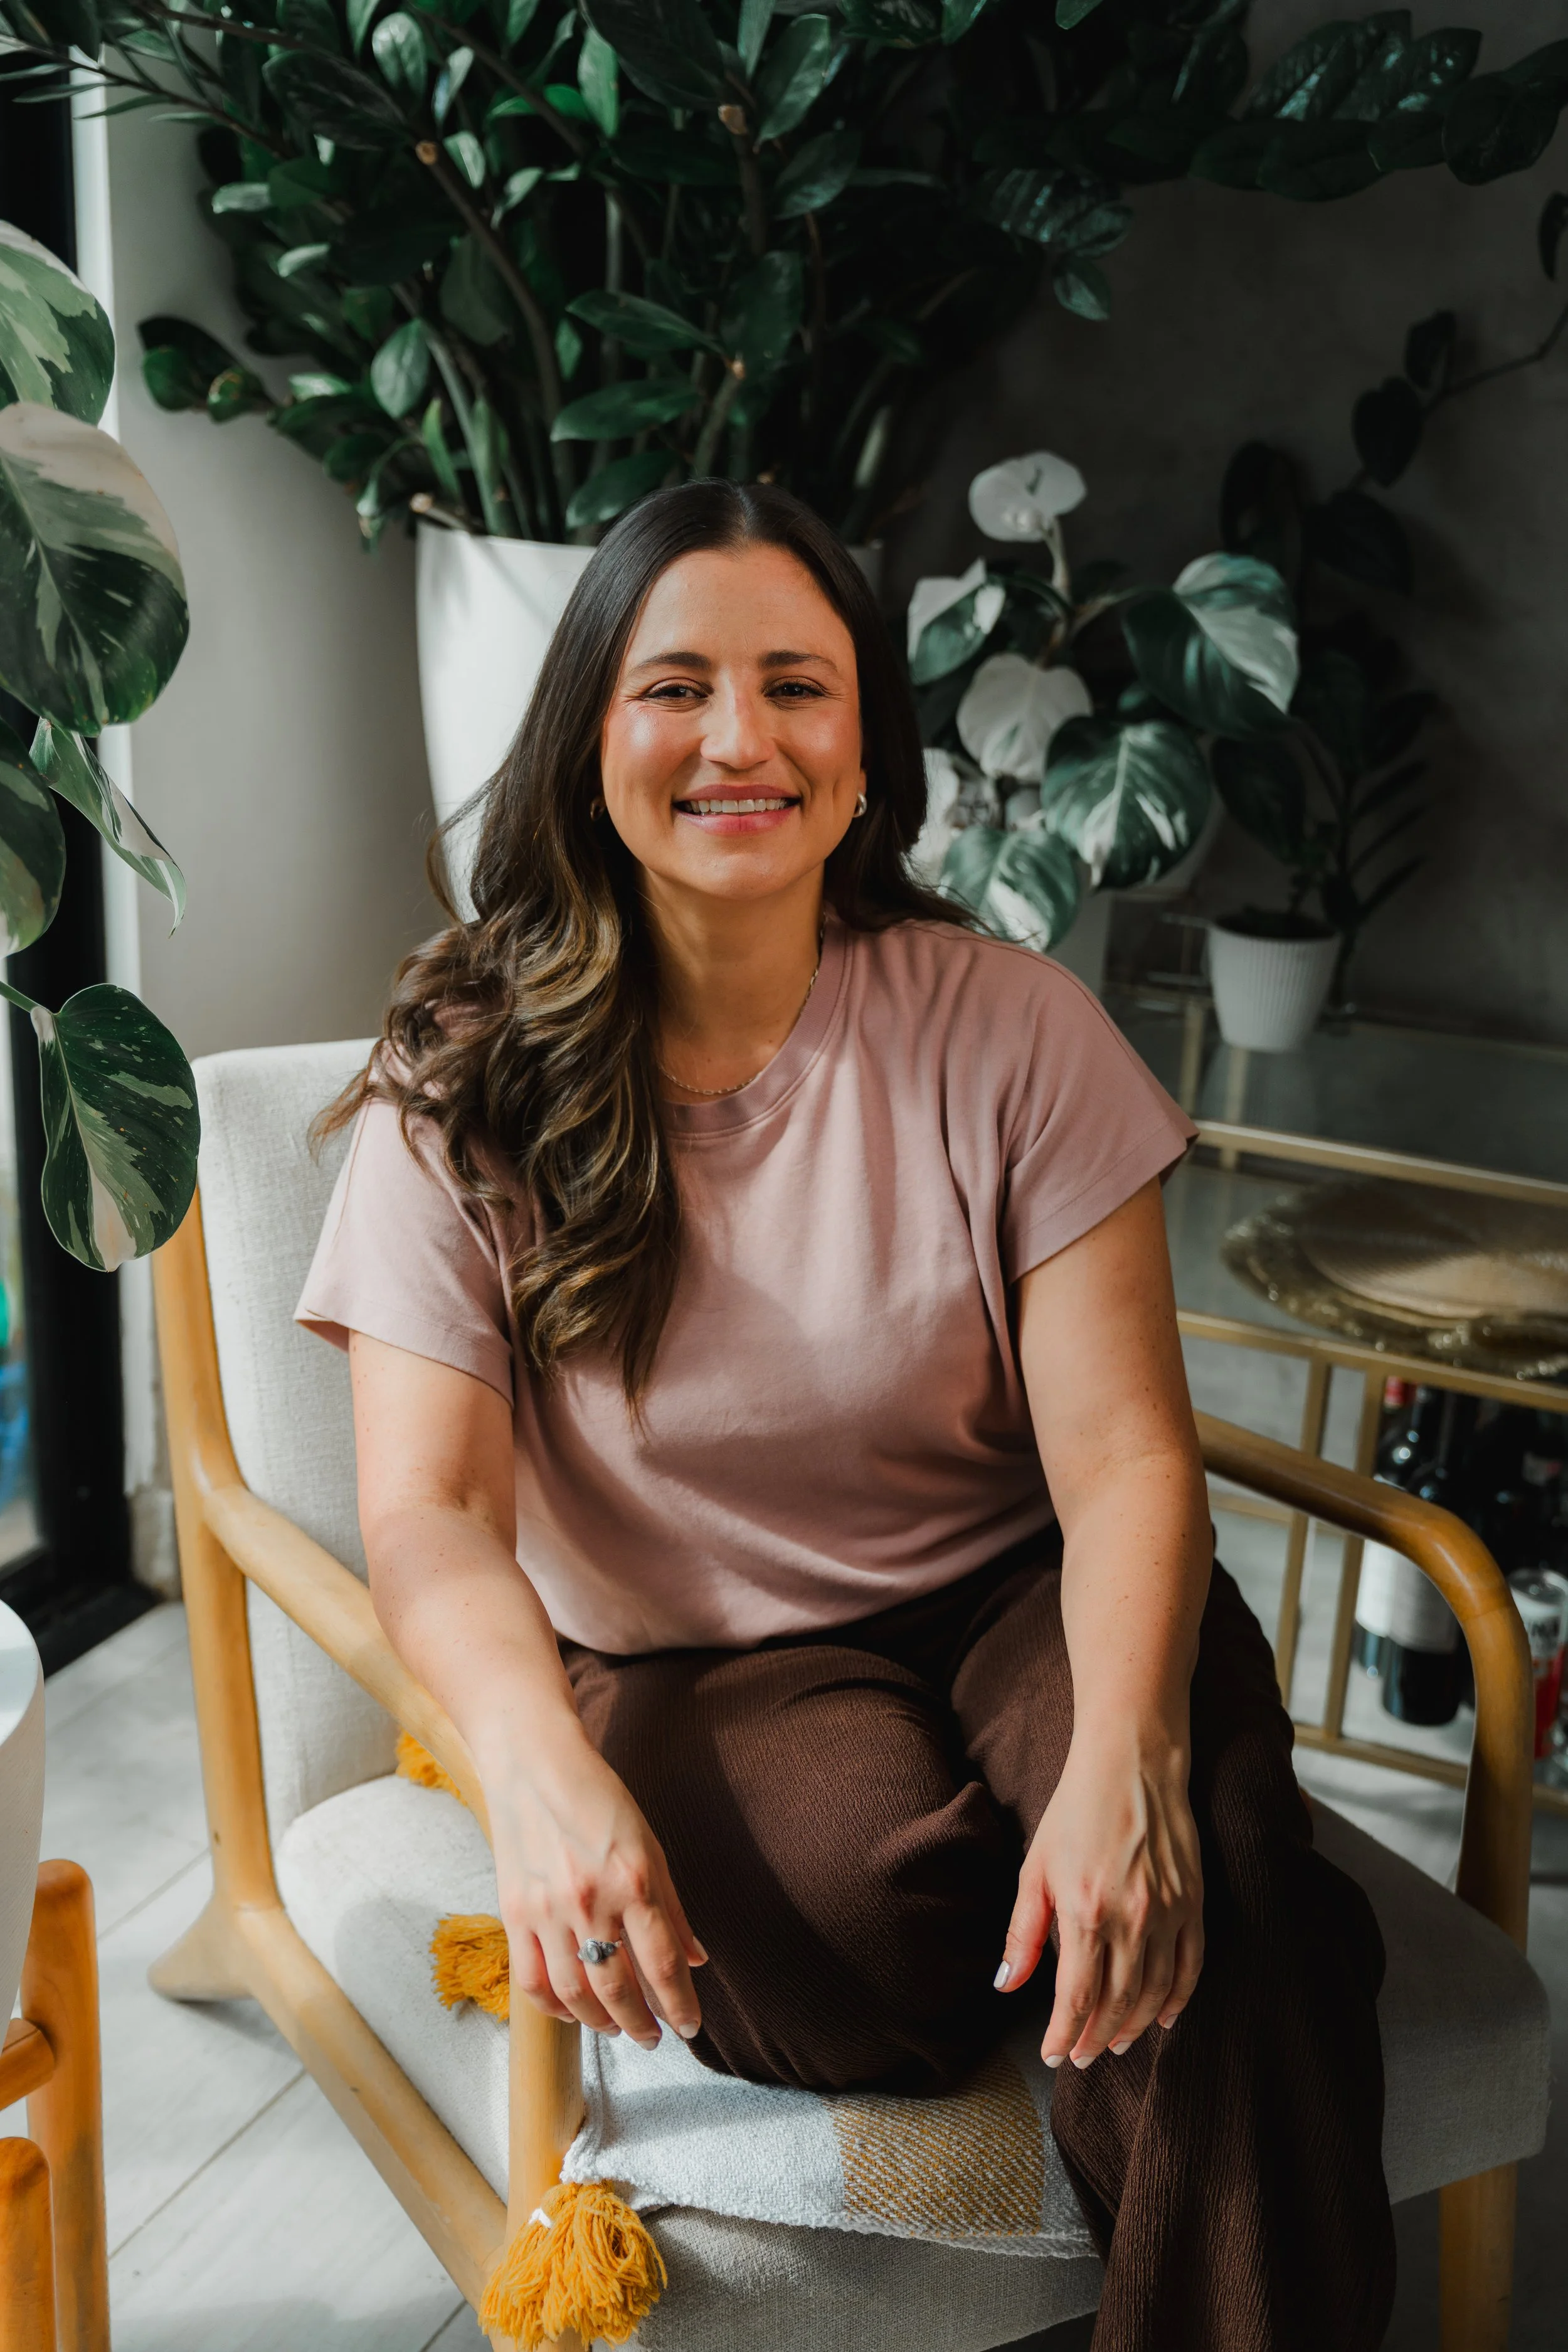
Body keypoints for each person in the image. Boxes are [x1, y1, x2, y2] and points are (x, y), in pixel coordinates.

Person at [297, 480, 1394, 2351]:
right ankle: (1249, 1875)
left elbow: (1126, 1452)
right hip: (697, 1660)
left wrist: (1124, 1763)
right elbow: (430, 1519)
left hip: (1014, 1591)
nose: (741, 739)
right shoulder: (454, 1089)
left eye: (796, 685)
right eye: (676, 689)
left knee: (1194, 1904)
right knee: (887, 1943)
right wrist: (534, 1771)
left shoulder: (1011, 1026)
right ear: (585, 747)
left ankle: (1239, 1889)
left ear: (867, 746)